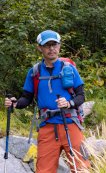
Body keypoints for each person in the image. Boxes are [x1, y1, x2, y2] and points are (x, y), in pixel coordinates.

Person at [4, 30, 90, 173]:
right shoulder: (34, 72)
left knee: (81, 168)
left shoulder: (69, 69)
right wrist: (15, 103)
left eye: (54, 44)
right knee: (44, 170)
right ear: (40, 48)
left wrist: (69, 103)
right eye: (47, 45)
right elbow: (27, 98)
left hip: (70, 124)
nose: (51, 49)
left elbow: (81, 96)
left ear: (59, 46)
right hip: (47, 126)